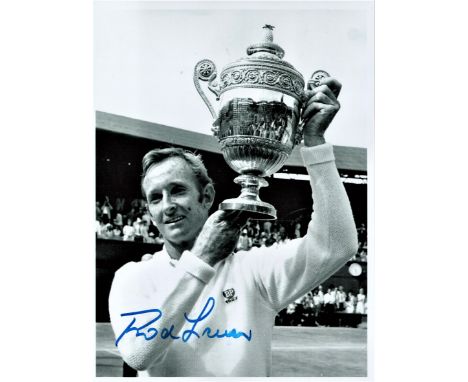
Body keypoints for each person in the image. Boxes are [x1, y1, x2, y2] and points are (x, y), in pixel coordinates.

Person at [108, 77, 358, 377]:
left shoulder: (252, 270)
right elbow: (138, 356)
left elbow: (337, 244)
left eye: (177, 190)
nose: (167, 205)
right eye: (155, 198)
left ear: (207, 197)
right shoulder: (133, 277)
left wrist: (315, 144)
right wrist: (201, 260)